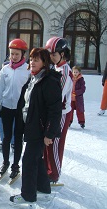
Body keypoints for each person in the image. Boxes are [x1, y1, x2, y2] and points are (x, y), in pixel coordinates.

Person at [10, 48, 62, 208]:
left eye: (36, 60)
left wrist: (49, 133)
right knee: (36, 158)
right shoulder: (33, 79)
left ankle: (28, 195)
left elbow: (55, 111)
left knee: (28, 160)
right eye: (31, 59)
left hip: (40, 130)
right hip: (31, 126)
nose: (32, 62)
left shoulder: (49, 82)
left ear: (45, 63)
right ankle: (44, 188)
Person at [0, 39, 30, 179]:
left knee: (17, 139)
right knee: (6, 138)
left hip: (20, 109)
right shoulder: (5, 69)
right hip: (6, 108)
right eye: (12, 54)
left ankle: (16, 165)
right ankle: (5, 161)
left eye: (16, 54)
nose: (14, 56)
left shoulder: (27, 70)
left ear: (23, 54)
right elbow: (0, 89)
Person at [44, 37, 73, 183]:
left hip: (61, 113)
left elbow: (58, 95)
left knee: (55, 143)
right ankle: (46, 169)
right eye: (50, 55)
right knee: (48, 143)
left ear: (62, 54)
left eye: (54, 55)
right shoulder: (56, 68)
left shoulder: (65, 71)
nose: (52, 58)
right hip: (53, 112)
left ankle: (54, 174)